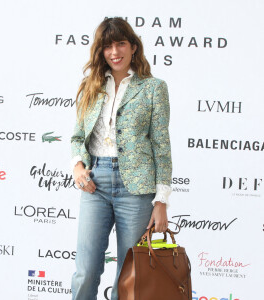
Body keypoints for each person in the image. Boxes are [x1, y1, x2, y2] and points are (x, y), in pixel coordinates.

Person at [70, 17, 172, 300]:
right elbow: (78, 137)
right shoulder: (91, 86)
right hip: (95, 184)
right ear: (100, 51)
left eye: (121, 43)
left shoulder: (153, 88)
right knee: (86, 271)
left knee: (129, 276)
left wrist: (161, 201)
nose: (115, 51)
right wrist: (79, 166)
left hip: (137, 190)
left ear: (133, 47)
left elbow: (161, 146)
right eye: (107, 46)